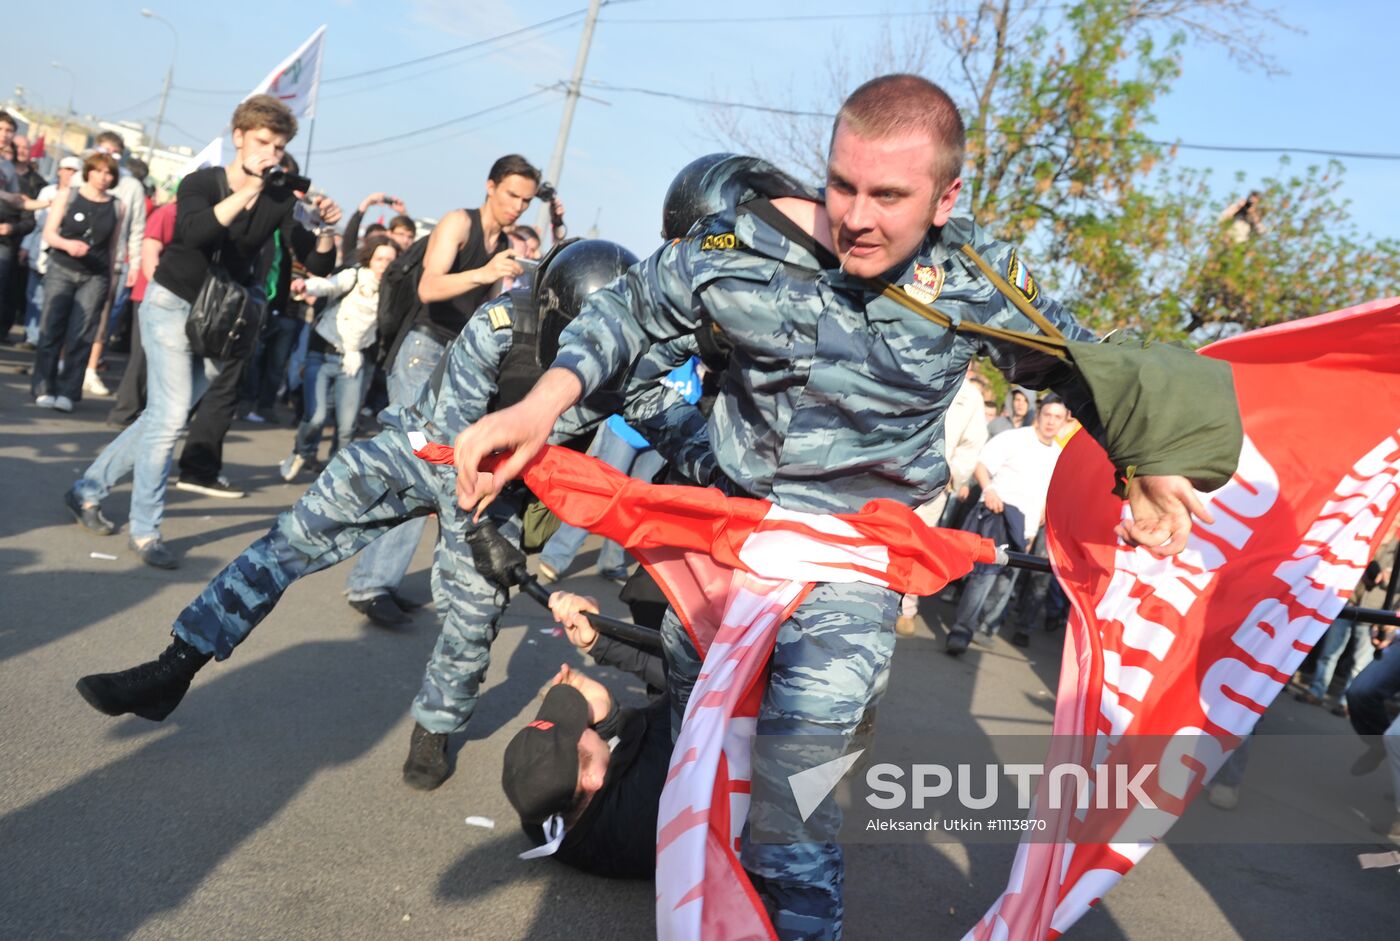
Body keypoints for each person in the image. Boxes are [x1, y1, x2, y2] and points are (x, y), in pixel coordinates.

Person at [449, 75, 1236, 938]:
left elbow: (1078, 363)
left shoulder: (974, 279)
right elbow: (628, 314)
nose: (856, 216)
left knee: (791, 817)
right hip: (725, 556)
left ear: (947, 198)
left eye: (889, 195)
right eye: (842, 185)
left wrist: (1145, 461)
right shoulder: (740, 240)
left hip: (849, 577)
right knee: (702, 774)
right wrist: (539, 406)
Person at [73, 240, 644, 797]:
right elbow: (455, 443)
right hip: (427, 451)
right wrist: (482, 534)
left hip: (508, 487)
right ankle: (175, 666)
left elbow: (672, 431)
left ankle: (436, 730)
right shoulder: (501, 322)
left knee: (474, 614)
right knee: (291, 539)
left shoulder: (623, 367)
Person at [65, 95, 340, 569]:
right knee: (171, 419)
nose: (270, 153)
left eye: (277, 146)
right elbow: (195, 234)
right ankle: (147, 531)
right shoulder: (202, 181)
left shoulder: (279, 201)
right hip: (171, 303)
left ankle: (87, 489)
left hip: (222, 320)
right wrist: (250, 189)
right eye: (261, 142)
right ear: (238, 137)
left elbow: (315, 262)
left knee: (161, 418)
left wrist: (326, 230)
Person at [345, 153, 537, 627]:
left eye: (527, 200)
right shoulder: (459, 222)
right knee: (419, 465)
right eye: (512, 194)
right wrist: (486, 273)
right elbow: (429, 288)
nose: (518, 206)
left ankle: (378, 581)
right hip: (421, 352)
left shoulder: (504, 243)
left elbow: (484, 313)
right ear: (490, 186)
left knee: (429, 472)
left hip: (455, 361)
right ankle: (371, 585)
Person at [946, 396, 1068, 653]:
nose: (1051, 421)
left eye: (1057, 417)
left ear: (1064, 421)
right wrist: (989, 490)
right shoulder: (1015, 438)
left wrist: (1037, 525)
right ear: (1039, 414)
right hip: (998, 515)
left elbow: (1047, 494)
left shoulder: (1058, 455)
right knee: (984, 577)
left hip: (1026, 528)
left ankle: (983, 626)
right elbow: (982, 466)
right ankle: (961, 630)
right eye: (1047, 415)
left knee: (1005, 583)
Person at [280, 235, 399, 479]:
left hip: (354, 360)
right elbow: (328, 285)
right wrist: (307, 286)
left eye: (390, 260)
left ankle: (333, 476)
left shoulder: (392, 291)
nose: (384, 264)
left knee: (347, 427)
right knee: (316, 417)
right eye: (379, 259)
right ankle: (300, 451)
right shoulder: (354, 276)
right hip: (323, 353)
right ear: (370, 258)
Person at [894, 361, 987, 636]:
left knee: (918, 544)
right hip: (894, 474)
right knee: (885, 534)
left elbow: (972, 443)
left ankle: (907, 607)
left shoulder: (971, 396)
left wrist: (952, 475)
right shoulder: (916, 373)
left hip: (933, 485)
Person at [31, 151, 124, 412]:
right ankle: (43, 386)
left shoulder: (117, 205)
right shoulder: (68, 195)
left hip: (95, 276)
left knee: (81, 334)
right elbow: (49, 233)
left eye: (109, 173)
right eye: (98, 171)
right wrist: (67, 245)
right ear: (88, 172)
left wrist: (109, 279)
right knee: (52, 329)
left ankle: (68, 391)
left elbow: (114, 247)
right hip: (62, 268)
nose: (103, 177)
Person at [1298, 528, 1398, 712]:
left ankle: (1347, 703)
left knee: (1359, 663)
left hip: (1375, 611)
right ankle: (1317, 691)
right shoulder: (1368, 535)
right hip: (1348, 602)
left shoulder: (1396, 548)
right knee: (1329, 653)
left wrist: (1385, 576)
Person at [81, 131, 148, 397]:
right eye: (103, 149)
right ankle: (66, 361)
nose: (108, 155)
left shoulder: (131, 186)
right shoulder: (80, 177)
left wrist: (135, 263)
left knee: (103, 320)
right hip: (75, 260)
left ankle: (90, 368)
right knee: (73, 316)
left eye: (114, 151)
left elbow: (137, 228)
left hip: (114, 262)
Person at [107, 199, 177, 426]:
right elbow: (150, 252)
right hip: (153, 294)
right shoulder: (169, 213)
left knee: (156, 359)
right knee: (142, 355)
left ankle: (139, 411)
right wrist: (159, 289)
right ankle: (124, 412)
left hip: (170, 296)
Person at [17, 156, 81, 350]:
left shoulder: (80, 196)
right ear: (59, 171)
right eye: (66, 169)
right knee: (34, 295)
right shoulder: (47, 191)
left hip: (63, 256)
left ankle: (49, 338)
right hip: (40, 249)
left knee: (54, 300)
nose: (69, 173)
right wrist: (26, 247)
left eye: (74, 170)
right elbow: (36, 223)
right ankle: (33, 336)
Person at [0, 135, 43, 343]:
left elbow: (23, 207)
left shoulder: (31, 181)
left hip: (10, 241)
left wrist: (48, 202)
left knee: (8, 289)